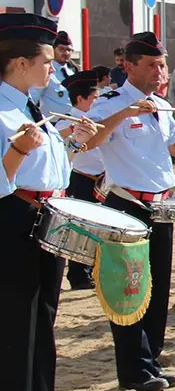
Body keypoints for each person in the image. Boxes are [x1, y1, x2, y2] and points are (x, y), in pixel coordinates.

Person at [86, 32, 175, 391]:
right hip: (127, 204)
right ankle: (133, 369)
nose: (159, 72)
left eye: (162, 65)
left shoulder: (159, 105)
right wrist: (125, 113)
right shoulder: (111, 101)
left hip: (160, 203)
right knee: (130, 288)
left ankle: (151, 359)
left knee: (157, 286)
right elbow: (91, 138)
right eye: (151, 65)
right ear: (129, 66)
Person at [0, 13, 98, 391]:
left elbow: (49, 168)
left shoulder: (27, 104)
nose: (53, 69)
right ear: (20, 63)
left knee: (42, 332)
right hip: (13, 220)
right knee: (17, 335)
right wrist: (18, 151)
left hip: (44, 218)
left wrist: (70, 145)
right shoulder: (4, 109)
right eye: (45, 60)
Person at [56, 71, 105, 291]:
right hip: (81, 179)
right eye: (94, 97)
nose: (97, 101)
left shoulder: (98, 118)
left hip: (100, 181)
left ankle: (92, 269)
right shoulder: (64, 121)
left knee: (98, 228)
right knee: (80, 229)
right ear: (80, 99)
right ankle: (78, 274)